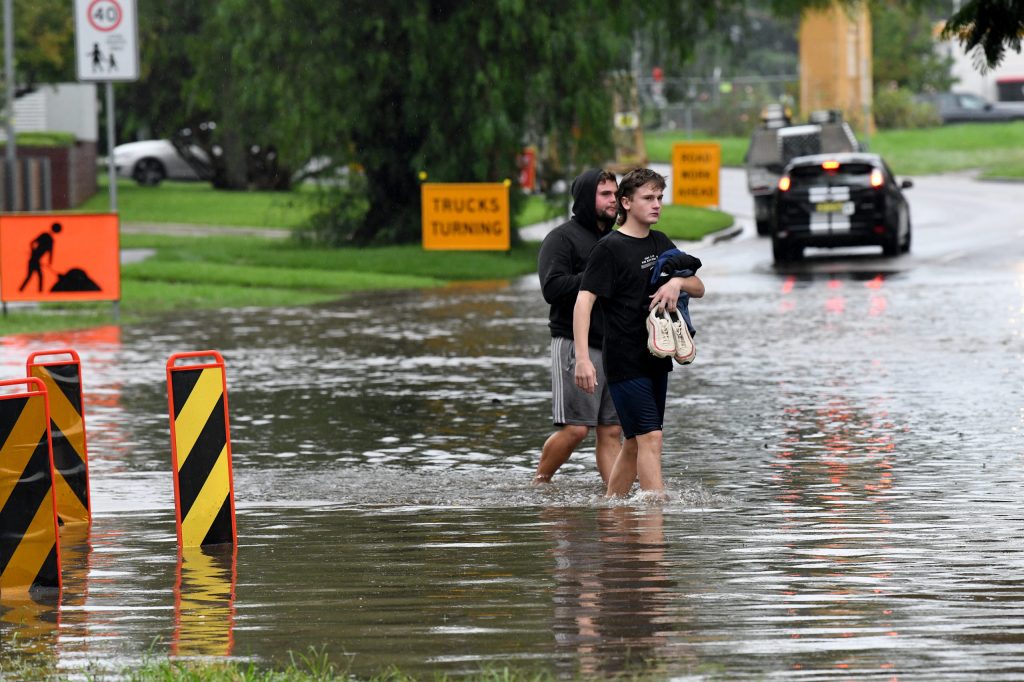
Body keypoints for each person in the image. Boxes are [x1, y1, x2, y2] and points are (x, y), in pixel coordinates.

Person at [572, 168, 704, 498]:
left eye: (660, 197)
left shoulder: (661, 243)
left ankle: (612, 509)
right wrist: (583, 360)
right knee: (651, 438)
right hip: (624, 360)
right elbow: (583, 301)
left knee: (633, 442)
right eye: (648, 198)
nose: (657, 204)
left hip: (658, 357)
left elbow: (699, 287)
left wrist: (676, 282)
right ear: (626, 203)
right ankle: (653, 519)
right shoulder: (608, 249)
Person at [534, 168, 623, 485]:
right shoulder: (561, 238)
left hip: (614, 346)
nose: (613, 201)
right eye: (605, 194)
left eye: (615, 194)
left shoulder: (616, 239)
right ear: (587, 198)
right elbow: (552, 288)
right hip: (573, 344)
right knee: (576, 429)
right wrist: (595, 277)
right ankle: (539, 484)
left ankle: (617, 502)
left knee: (612, 430)